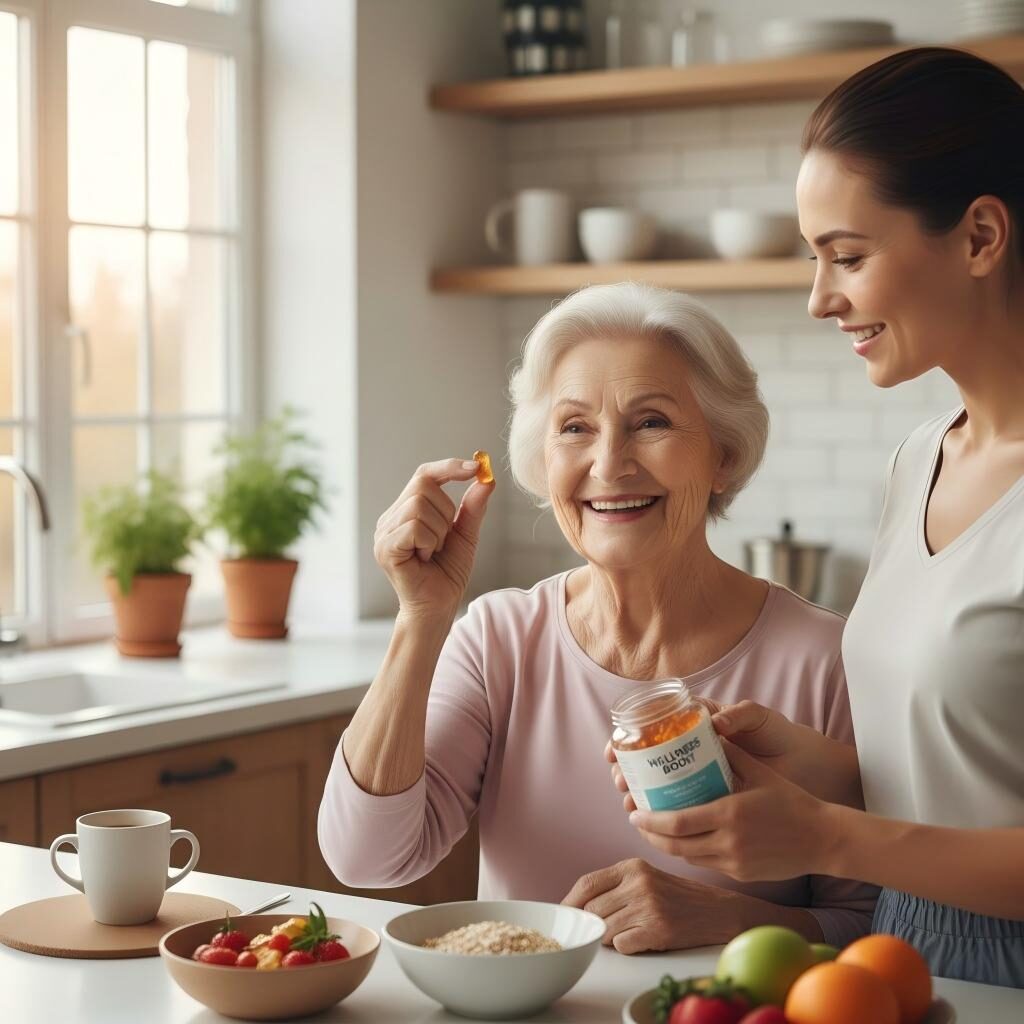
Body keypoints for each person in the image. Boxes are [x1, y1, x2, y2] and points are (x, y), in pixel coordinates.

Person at [614, 48, 1024, 985]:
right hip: (903, 955)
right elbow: (958, 789)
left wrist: (831, 836)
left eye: (847, 255)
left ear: (980, 237)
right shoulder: (920, 459)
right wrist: (804, 772)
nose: (818, 297)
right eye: (814, 258)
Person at [318, 282, 877, 954]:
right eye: (575, 427)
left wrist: (733, 921)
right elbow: (369, 859)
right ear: (543, 459)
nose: (609, 464)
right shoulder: (499, 641)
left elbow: (883, 927)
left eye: (652, 422)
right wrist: (421, 616)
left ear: (723, 455)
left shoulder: (824, 658)